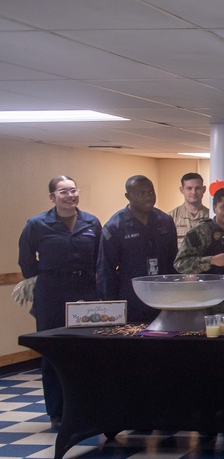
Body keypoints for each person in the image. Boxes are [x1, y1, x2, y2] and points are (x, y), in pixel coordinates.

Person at [18, 175, 102, 425]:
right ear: (52, 197)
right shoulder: (37, 224)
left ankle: (88, 406)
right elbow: (26, 262)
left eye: (73, 190)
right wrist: (46, 278)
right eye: (63, 192)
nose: (70, 196)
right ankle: (57, 411)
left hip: (86, 290)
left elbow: (100, 258)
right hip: (52, 291)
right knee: (53, 349)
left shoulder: (91, 222)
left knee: (87, 349)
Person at [97, 175, 178, 323]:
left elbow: (173, 261)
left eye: (151, 192)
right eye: (141, 194)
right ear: (128, 196)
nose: (148, 197)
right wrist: (111, 306)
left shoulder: (165, 221)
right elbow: (105, 269)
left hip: (163, 297)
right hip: (131, 298)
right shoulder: (115, 226)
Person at [168, 172, 209, 248]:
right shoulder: (171, 218)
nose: (193, 192)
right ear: (182, 190)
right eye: (189, 188)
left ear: (204, 189)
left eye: (197, 188)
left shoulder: (212, 217)